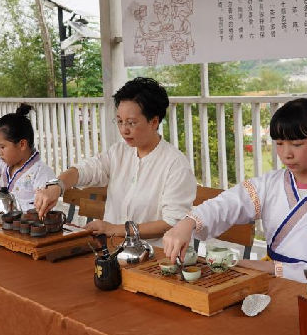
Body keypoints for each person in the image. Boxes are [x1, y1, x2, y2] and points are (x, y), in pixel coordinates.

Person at [162, 98, 307, 281]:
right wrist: (188, 223)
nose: (286, 154)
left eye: (297, 144)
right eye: (280, 144)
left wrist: (271, 268)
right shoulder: (269, 185)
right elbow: (226, 204)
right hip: (268, 283)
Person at [34, 77, 196, 242]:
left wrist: (113, 229)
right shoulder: (119, 152)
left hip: (155, 258)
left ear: (154, 122)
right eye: (119, 121)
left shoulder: (175, 165)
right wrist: (57, 186)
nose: (124, 130)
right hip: (113, 250)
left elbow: (172, 223)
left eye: (131, 123)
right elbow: (84, 170)